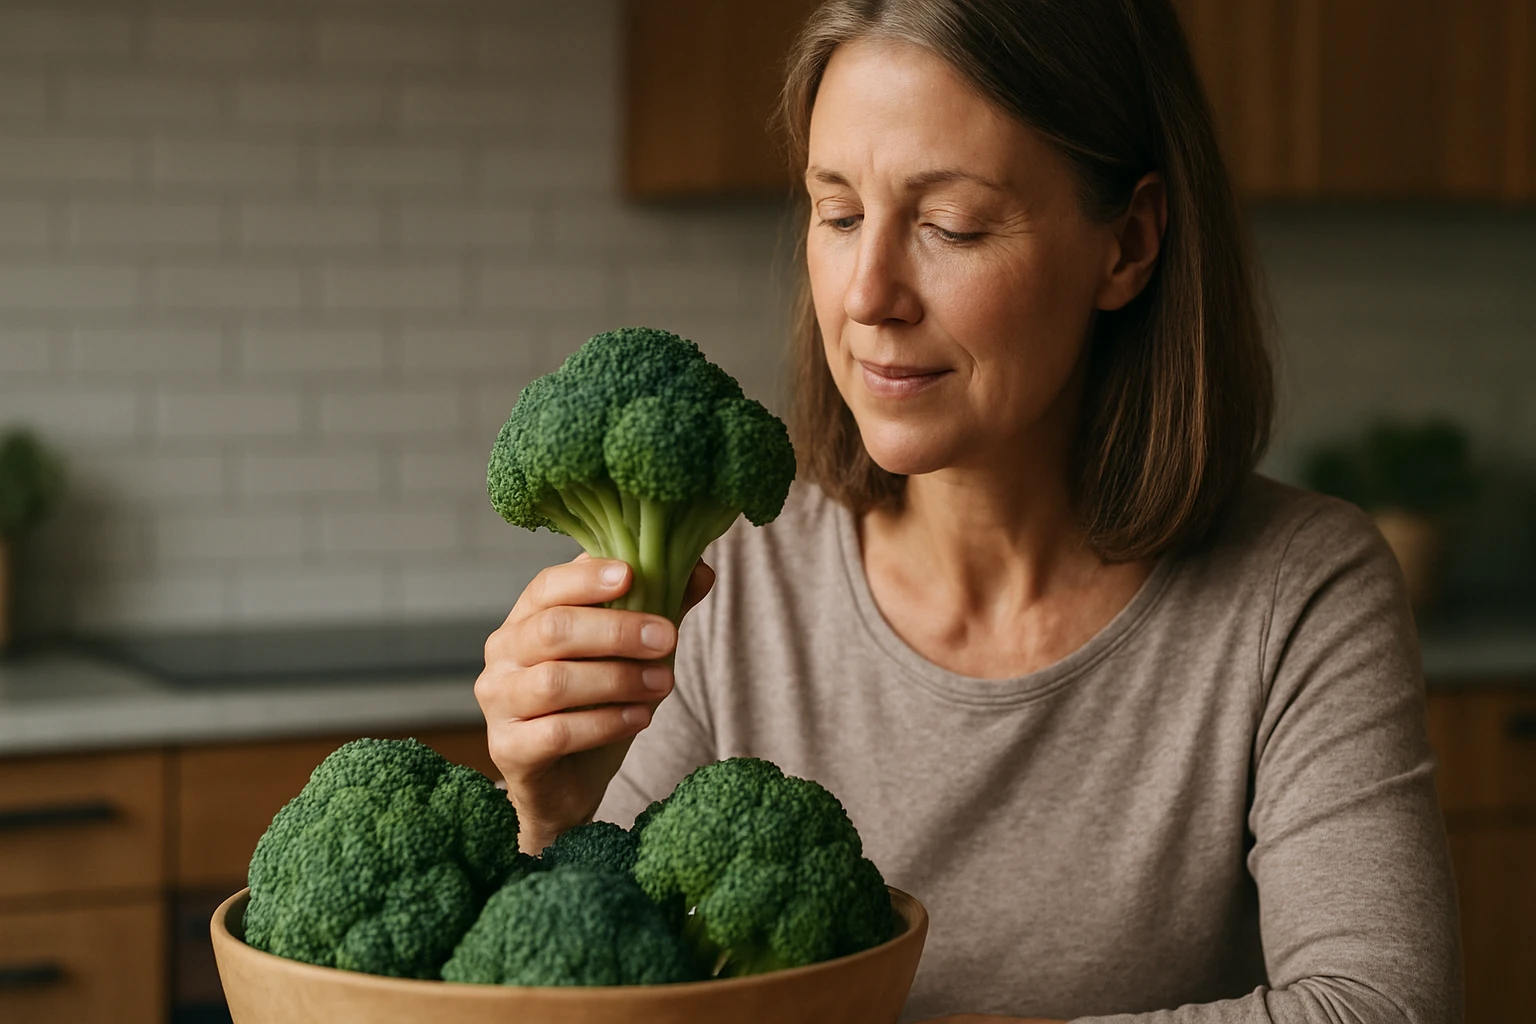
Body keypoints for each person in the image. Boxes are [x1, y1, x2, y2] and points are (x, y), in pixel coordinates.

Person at [473, 1, 1461, 1021]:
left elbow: (1383, 1006)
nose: (869, 294)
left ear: (1127, 243)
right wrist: (550, 817)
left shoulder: (1300, 592)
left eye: (951, 224)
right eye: (838, 212)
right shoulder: (732, 577)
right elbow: (615, 982)